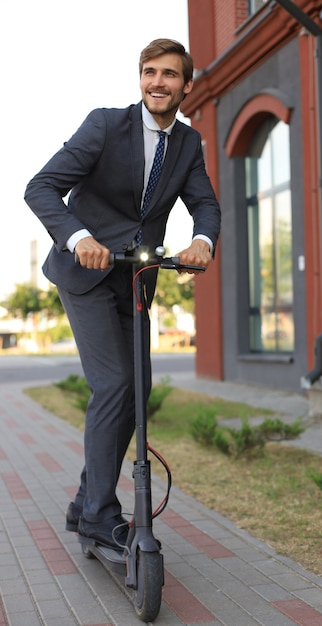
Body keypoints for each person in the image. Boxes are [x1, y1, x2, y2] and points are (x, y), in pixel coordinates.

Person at [24, 39, 221, 549]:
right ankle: (99, 513)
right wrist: (79, 237)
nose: (158, 82)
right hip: (85, 271)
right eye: (149, 72)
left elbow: (205, 205)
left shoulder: (188, 144)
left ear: (186, 85)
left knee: (138, 389)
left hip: (135, 275)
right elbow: (41, 186)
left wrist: (201, 241)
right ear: (140, 78)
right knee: (112, 384)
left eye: (170, 74)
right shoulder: (106, 125)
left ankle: (84, 499)